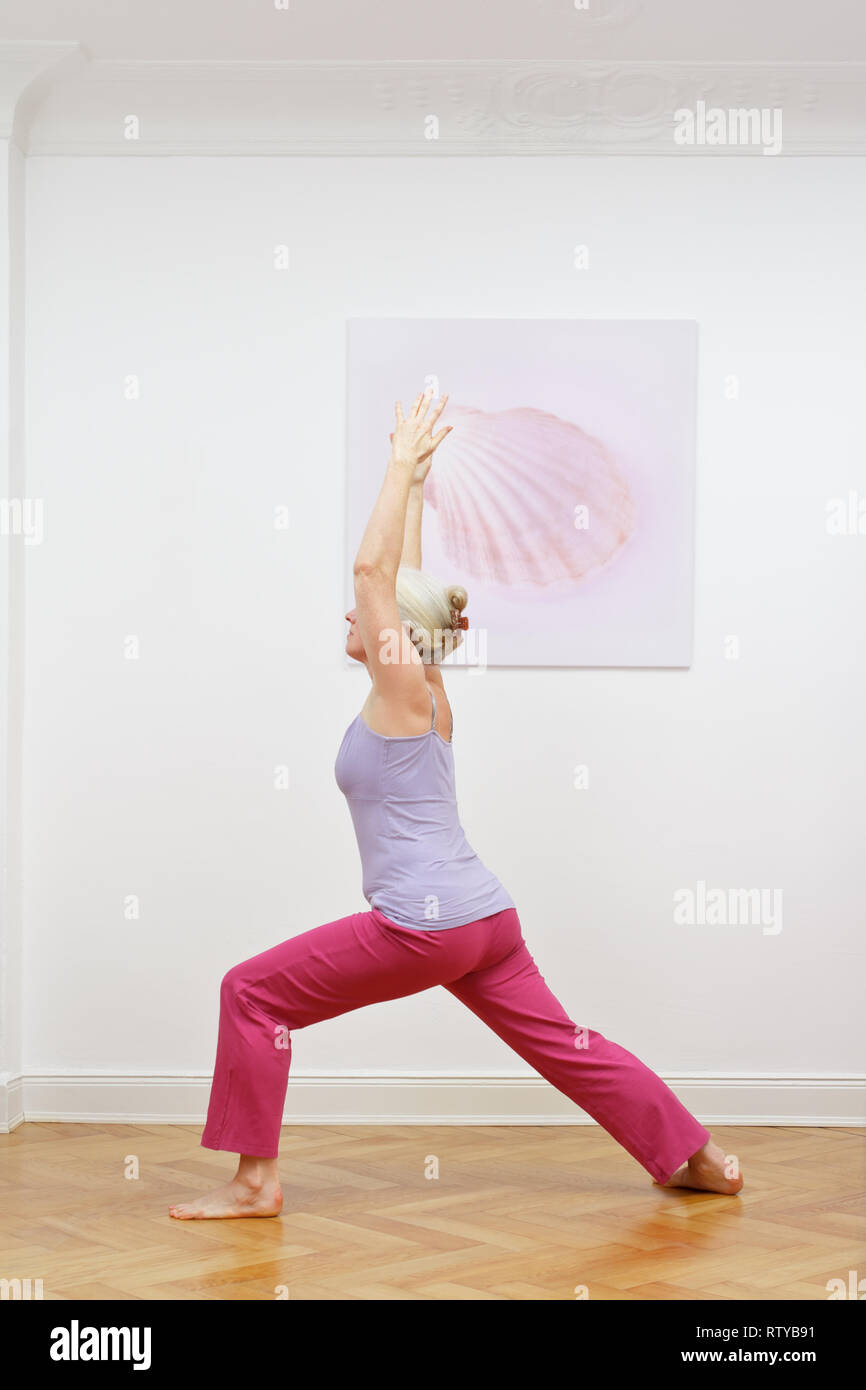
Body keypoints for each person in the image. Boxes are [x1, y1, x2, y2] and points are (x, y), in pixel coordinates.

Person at [169, 388, 742, 1220]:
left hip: (423, 926)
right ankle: (695, 1154)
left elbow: (373, 575)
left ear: (396, 632)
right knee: (567, 1046)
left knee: (249, 993)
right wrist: (414, 489)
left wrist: (398, 462)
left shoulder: (403, 691)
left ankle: (255, 1183)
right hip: (485, 922)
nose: (350, 611)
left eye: (366, 614)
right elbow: (398, 581)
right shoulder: (427, 689)